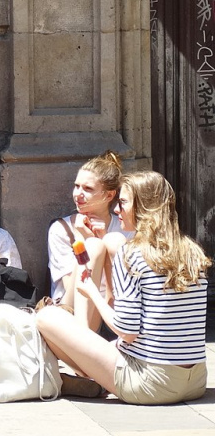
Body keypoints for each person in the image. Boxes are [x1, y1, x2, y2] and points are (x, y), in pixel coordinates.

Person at [36, 171, 210, 404]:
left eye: (123, 203)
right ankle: (88, 378)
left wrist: (93, 294)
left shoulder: (132, 254)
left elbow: (127, 330)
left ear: (143, 207)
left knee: (46, 317)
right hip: (195, 380)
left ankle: (86, 377)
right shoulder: (192, 251)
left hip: (151, 384)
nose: (117, 210)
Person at [46, 150, 132, 331]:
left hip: (116, 312)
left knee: (112, 242)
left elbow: (130, 288)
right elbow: (73, 289)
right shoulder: (61, 230)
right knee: (94, 247)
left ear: (109, 195)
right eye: (76, 186)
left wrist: (104, 246)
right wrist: (88, 243)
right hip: (73, 313)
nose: (78, 194)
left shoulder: (124, 230)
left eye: (88, 189)